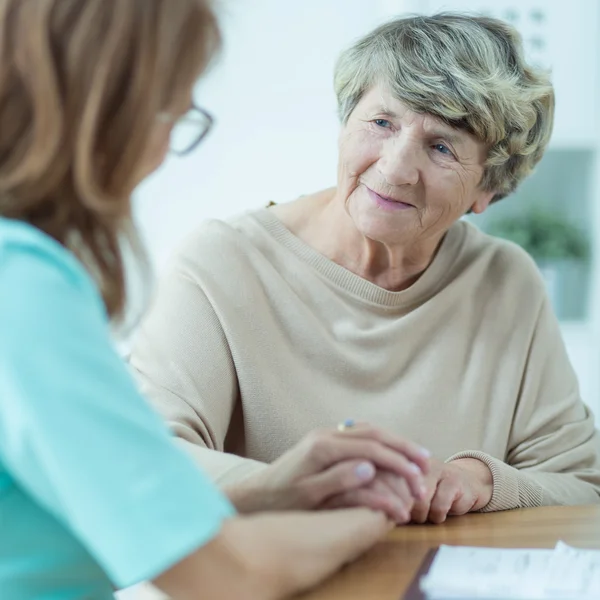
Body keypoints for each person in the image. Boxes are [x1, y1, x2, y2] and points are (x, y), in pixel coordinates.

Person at [0, 1, 435, 598]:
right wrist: (377, 515)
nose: (157, 154)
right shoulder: (22, 288)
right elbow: (226, 574)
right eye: (170, 109)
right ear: (105, 103)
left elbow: (116, 494)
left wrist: (274, 487)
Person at [130, 12, 600, 526]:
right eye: (381, 123)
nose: (395, 168)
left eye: (441, 146)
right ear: (344, 124)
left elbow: (581, 485)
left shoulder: (505, 281)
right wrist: (300, 486)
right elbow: (143, 460)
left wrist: (480, 480)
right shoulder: (221, 265)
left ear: (489, 188)